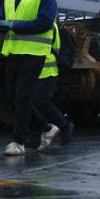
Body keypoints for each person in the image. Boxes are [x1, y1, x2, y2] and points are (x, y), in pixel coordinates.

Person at [0, 0, 57, 156]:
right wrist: (2, 25)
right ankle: (48, 128)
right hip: (13, 53)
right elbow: (0, 18)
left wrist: (12, 25)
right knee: (14, 97)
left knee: (22, 98)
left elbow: (45, 22)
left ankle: (18, 142)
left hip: (33, 54)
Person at [32, 20, 74, 152]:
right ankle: (46, 129)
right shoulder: (49, 24)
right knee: (36, 102)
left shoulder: (46, 25)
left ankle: (60, 126)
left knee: (39, 101)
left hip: (45, 70)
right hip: (42, 70)